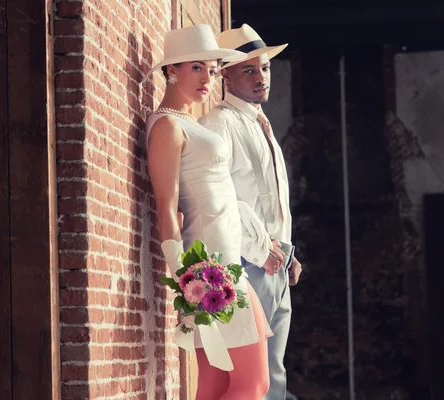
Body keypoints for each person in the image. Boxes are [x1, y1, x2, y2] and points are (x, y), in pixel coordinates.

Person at [143, 24, 273, 400]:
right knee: (253, 384)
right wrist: (184, 279)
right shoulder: (167, 125)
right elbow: (166, 206)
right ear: (172, 70)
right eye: (197, 67)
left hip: (224, 265)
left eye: (213, 71)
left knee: (217, 386)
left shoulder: (187, 123)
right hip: (210, 274)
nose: (207, 79)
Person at [198, 24, 303, 400]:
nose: (261, 78)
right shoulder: (219, 124)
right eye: (249, 70)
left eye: (265, 68)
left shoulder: (262, 126)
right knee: (252, 380)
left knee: (274, 377)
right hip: (248, 262)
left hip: (277, 262)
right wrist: (262, 251)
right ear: (225, 75)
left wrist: (289, 251)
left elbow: (272, 200)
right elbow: (219, 201)